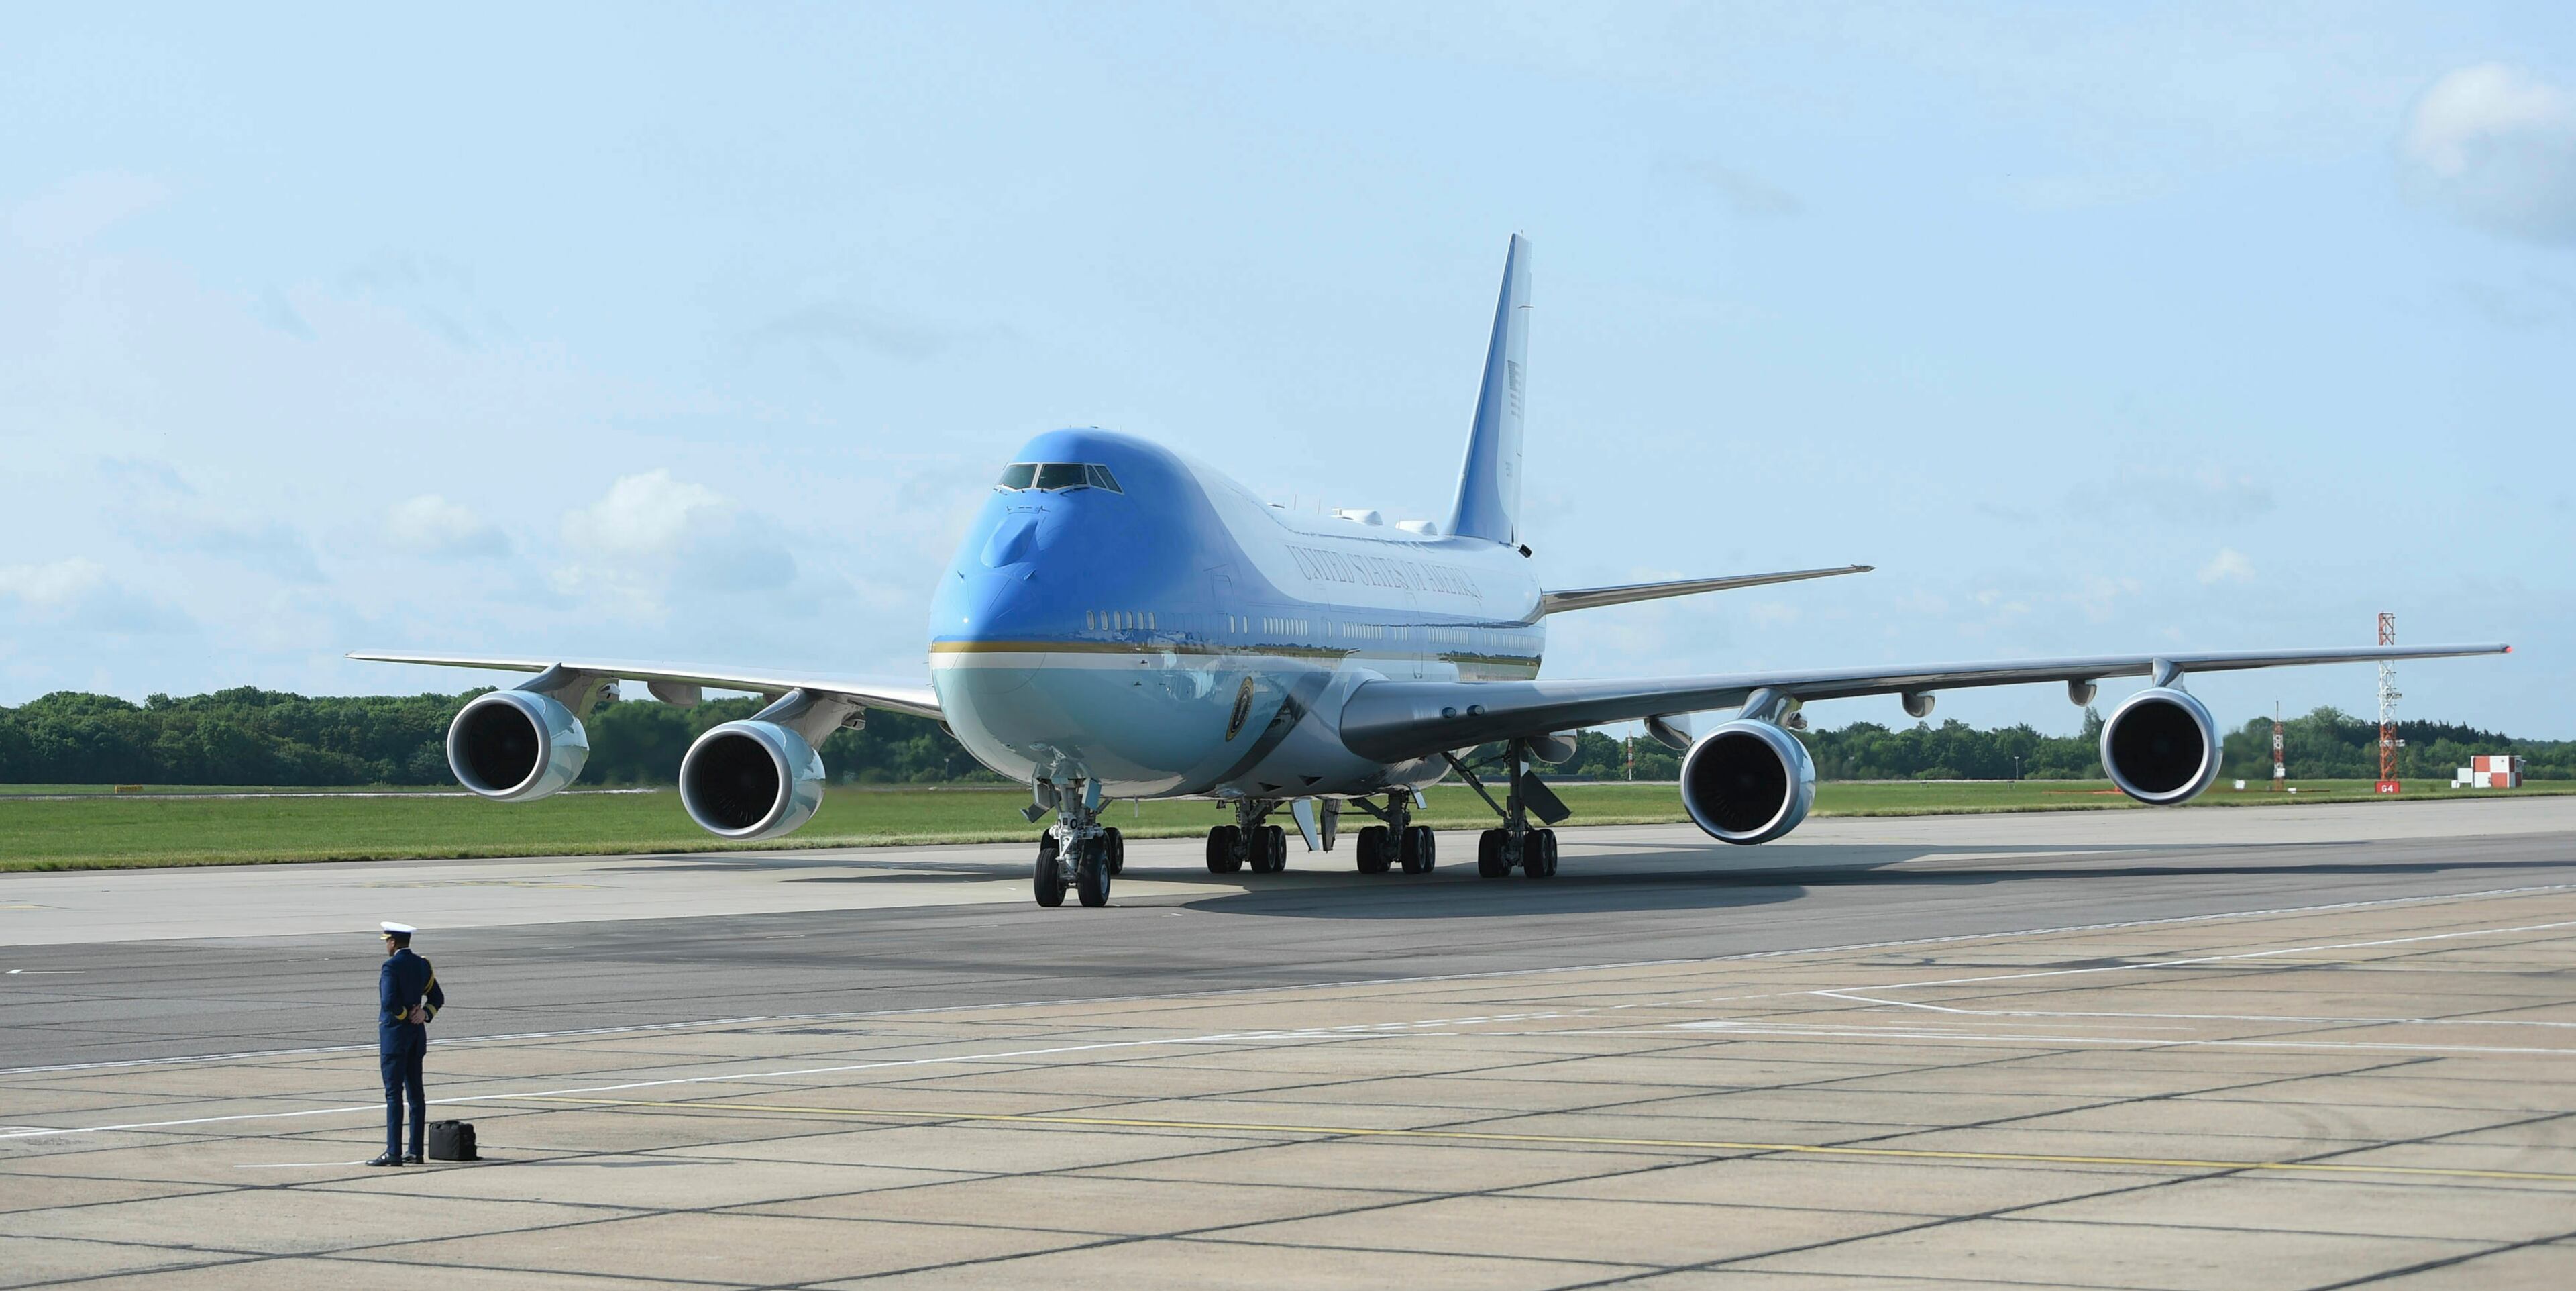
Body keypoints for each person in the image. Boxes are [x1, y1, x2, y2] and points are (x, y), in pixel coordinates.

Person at [369, 921, 445, 1167]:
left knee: (393, 1096)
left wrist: (404, 1015)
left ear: (392, 942)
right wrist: (424, 1014)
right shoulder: (422, 964)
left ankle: (393, 1152)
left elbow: (389, 1002)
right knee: (416, 1096)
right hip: (416, 1037)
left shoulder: (391, 966)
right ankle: (415, 1151)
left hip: (395, 1038)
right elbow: (437, 997)